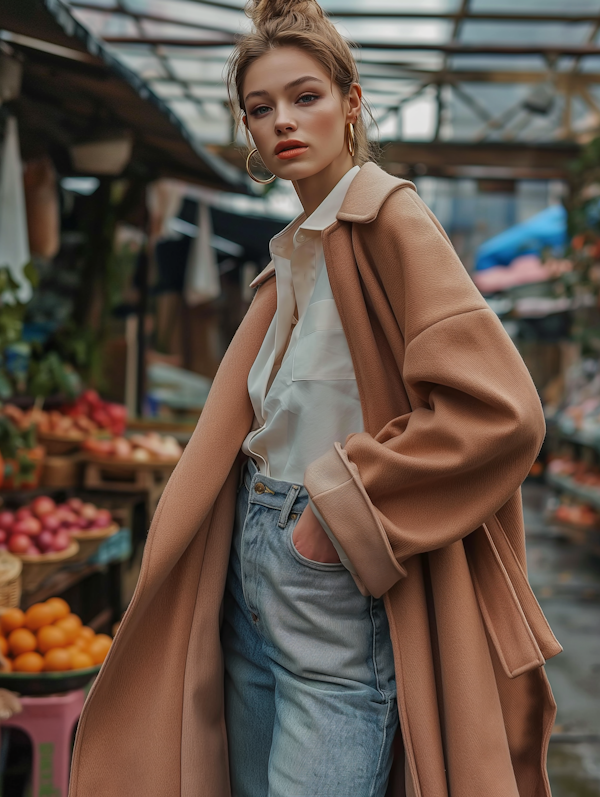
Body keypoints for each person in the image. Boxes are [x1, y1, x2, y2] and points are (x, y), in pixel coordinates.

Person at [68, 1, 561, 796]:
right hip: (254, 561)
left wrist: (335, 514)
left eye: (306, 97)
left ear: (352, 102)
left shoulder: (391, 219)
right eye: (260, 109)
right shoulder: (295, 253)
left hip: (327, 567)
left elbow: (503, 411)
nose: (282, 123)